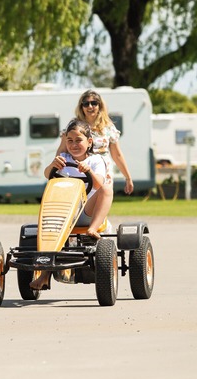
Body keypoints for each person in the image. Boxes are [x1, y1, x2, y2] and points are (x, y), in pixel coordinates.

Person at [31, 119, 108, 290]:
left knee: (107, 188)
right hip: (63, 211)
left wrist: (88, 171)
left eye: (78, 140)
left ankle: (93, 229)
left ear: (89, 142)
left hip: (86, 212)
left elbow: (98, 184)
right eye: (70, 141)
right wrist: (53, 165)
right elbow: (47, 175)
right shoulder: (63, 159)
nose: (74, 145)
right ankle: (44, 275)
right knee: (50, 236)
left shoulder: (96, 160)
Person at [74, 89, 135, 195]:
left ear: (100, 106)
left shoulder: (108, 127)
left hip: (104, 171)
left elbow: (117, 155)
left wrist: (128, 177)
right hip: (81, 170)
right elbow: (63, 150)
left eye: (94, 103)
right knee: (82, 202)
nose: (90, 106)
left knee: (103, 199)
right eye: (86, 104)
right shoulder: (75, 126)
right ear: (81, 107)